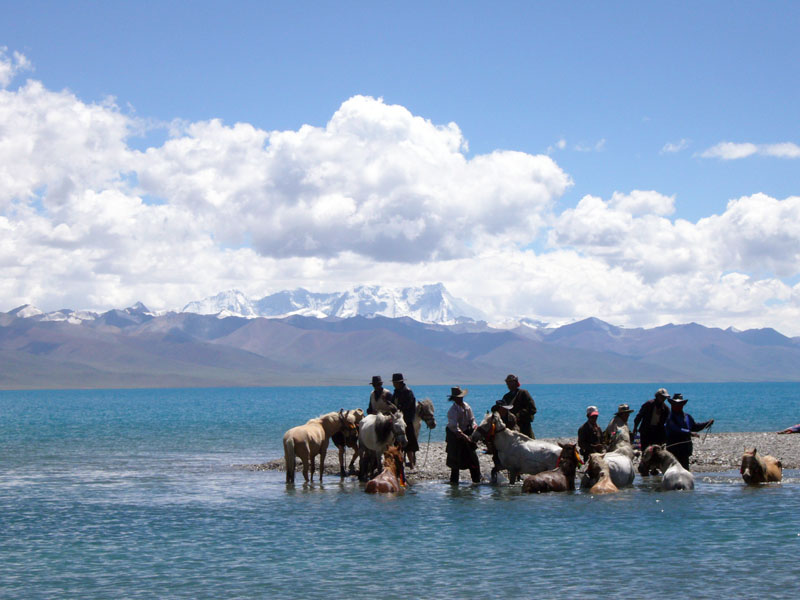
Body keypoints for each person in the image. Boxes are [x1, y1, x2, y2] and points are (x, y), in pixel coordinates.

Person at [664, 393, 714, 470]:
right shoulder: (670, 418)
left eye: (680, 404)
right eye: (676, 404)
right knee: (673, 470)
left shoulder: (687, 417)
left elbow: (695, 427)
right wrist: (690, 433)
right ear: (672, 404)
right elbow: (676, 429)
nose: (678, 406)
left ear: (683, 405)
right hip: (673, 450)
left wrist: (707, 423)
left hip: (685, 449)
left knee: (685, 470)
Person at [445, 387, 481, 484]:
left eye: (461, 397)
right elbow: (454, 427)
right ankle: (454, 483)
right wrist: (464, 436)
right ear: (454, 399)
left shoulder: (466, 406)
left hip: (467, 433)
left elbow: (472, 419)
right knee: (455, 462)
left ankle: (476, 480)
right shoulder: (452, 411)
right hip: (456, 437)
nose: (460, 399)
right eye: (458, 398)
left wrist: (474, 426)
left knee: (473, 459)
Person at [391, 373, 419, 468]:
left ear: (399, 382)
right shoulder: (397, 391)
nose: (394, 384)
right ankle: (399, 462)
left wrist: (399, 408)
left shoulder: (408, 392)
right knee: (397, 442)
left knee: (409, 443)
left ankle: (411, 463)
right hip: (399, 420)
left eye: (395, 382)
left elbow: (409, 406)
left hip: (406, 420)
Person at [632, 388, 670, 452]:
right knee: (645, 450)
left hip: (658, 432)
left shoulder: (666, 409)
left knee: (657, 451)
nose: (663, 399)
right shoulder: (648, 404)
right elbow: (639, 416)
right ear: (657, 396)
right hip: (646, 431)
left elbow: (668, 422)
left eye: (664, 397)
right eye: (662, 397)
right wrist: (635, 427)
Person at [488, 401, 518, 484]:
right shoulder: (493, 418)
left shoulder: (511, 417)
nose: (505, 410)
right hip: (497, 443)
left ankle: (517, 478)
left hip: (510, 442)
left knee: (514, 463)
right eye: (504, 408)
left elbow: (516, 428)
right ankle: (494, 481)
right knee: (497, 462)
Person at [500, 374, 537, 439]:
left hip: (524, 426)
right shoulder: (506, 397)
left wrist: (518, 415)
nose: (509, 384)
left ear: (515, 383)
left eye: (511, 382)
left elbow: (532, 409)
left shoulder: (523, 393)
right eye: (508, 383)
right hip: (510, 427)